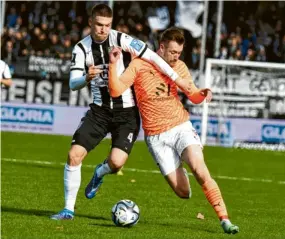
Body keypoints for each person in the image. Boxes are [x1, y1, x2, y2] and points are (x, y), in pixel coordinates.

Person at [50, 4, 190, 220]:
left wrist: (177, 78)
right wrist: (86, 78)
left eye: (107, 25)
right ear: (90, 23)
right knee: (74, 155)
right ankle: (68, 209)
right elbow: (72, 83)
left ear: (111, 24)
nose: (103, 29)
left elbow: (152, 56)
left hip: (127, 113)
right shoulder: (81, 49)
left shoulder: (122, 40)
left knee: (116, 163)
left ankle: (99, 173)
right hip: (99, 111)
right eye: (98, 24)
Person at [107, 27, 239, 234]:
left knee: (200, 169)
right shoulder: (139, 65)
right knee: (183, 192)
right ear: (161, 48)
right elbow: (115, 90)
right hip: (156, 138)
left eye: (179, 53)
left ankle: (225, 220)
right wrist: (113, 65)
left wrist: (202, 94)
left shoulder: (180, 67)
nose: (176, 57)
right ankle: (180, 167)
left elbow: (193, 94)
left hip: (180, 127)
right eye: (173, 52)